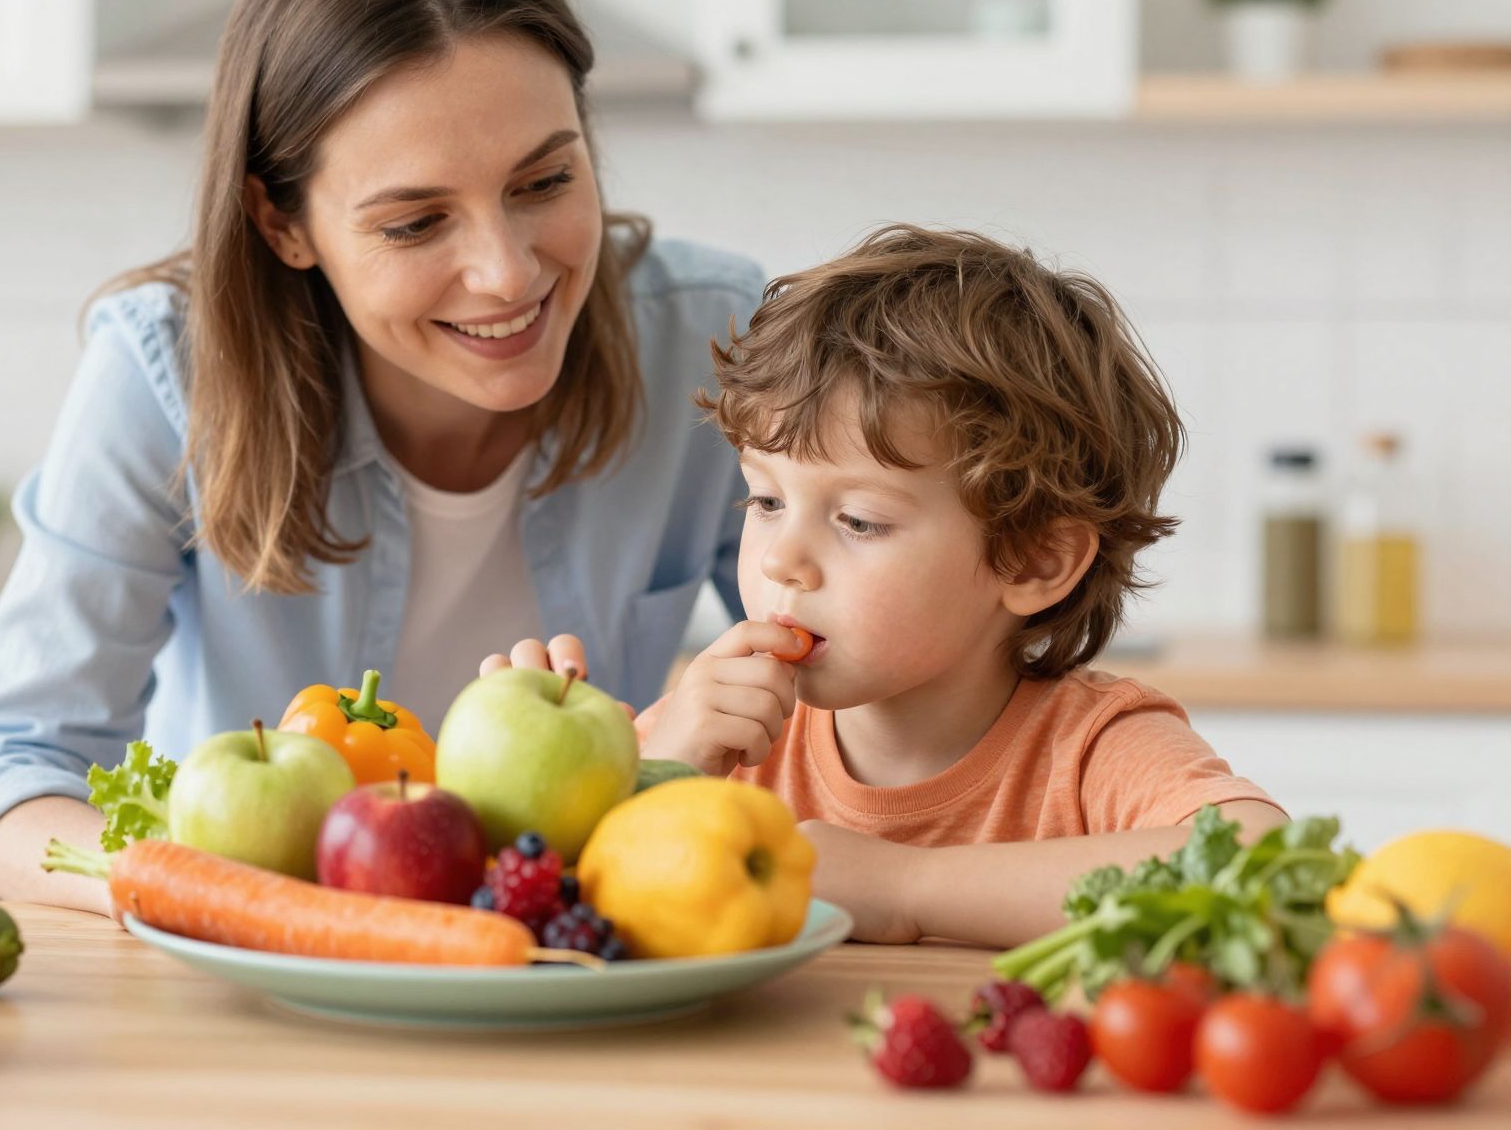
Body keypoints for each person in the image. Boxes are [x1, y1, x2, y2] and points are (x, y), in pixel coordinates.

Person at [0, 0, 762, 911]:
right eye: (415, 222)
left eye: (545, 182)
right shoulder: (168, 377)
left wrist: (691, 752)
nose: (508, 272)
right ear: (282, 223)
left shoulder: (714, 342)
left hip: (577, 967)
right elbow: (6, 778)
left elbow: (869, 691)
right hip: (263, 984)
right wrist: (232, 901)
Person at [525, 224, 1286, 949]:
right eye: (766, 501)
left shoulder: (1090, 749)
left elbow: (1266, 872)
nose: (780, 560)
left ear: (1032, 562)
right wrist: (667, 775)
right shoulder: (721, 730)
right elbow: (536, 905)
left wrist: (909, 886)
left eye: (857, 520)